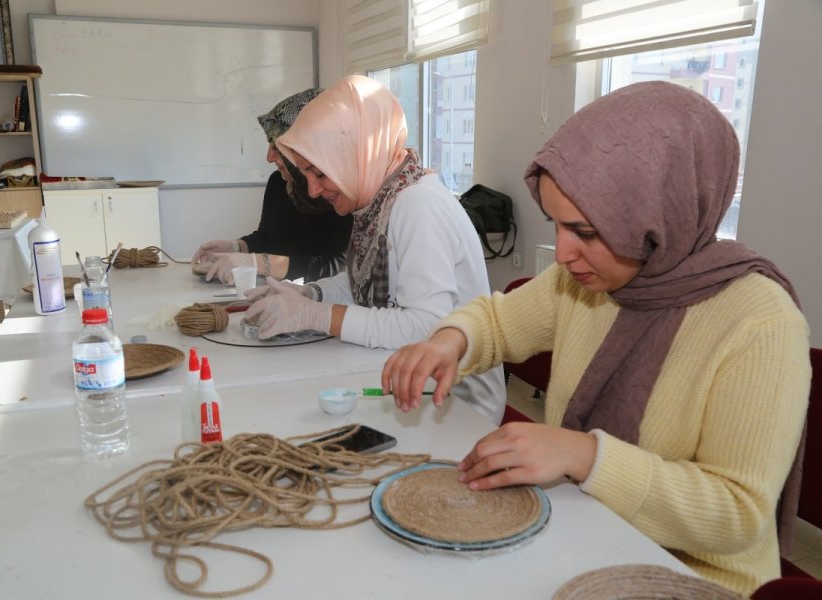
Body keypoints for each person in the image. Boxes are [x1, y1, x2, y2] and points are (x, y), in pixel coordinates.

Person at [380, 82, 811, 596]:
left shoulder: (761, 322)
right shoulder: (586, 280)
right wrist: (449, 340)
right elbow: (498, 321)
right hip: (585, 529)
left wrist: (585, 455)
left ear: (658, 215)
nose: (562, 253)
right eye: (556, 226)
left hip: (693, 577)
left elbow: (736, 514)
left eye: (585, 232)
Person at [244, 75, 506, 424]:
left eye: (320, 174)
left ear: (354, 154)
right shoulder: (377, 198)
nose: (313, 189)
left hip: (459, 402)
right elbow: (358, 282)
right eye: (307, 174)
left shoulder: (417, 206)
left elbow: (426, 327)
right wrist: (310, 294)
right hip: (409, 378)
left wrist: (318, 317)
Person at [191, 88, 352, 284]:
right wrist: (236, 247)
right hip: (276, 292)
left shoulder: (342, 194)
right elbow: (268, 238)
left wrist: (257, 263)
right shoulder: (278, 182)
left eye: (277, 148)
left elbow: (336, 267)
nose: (269, 158)